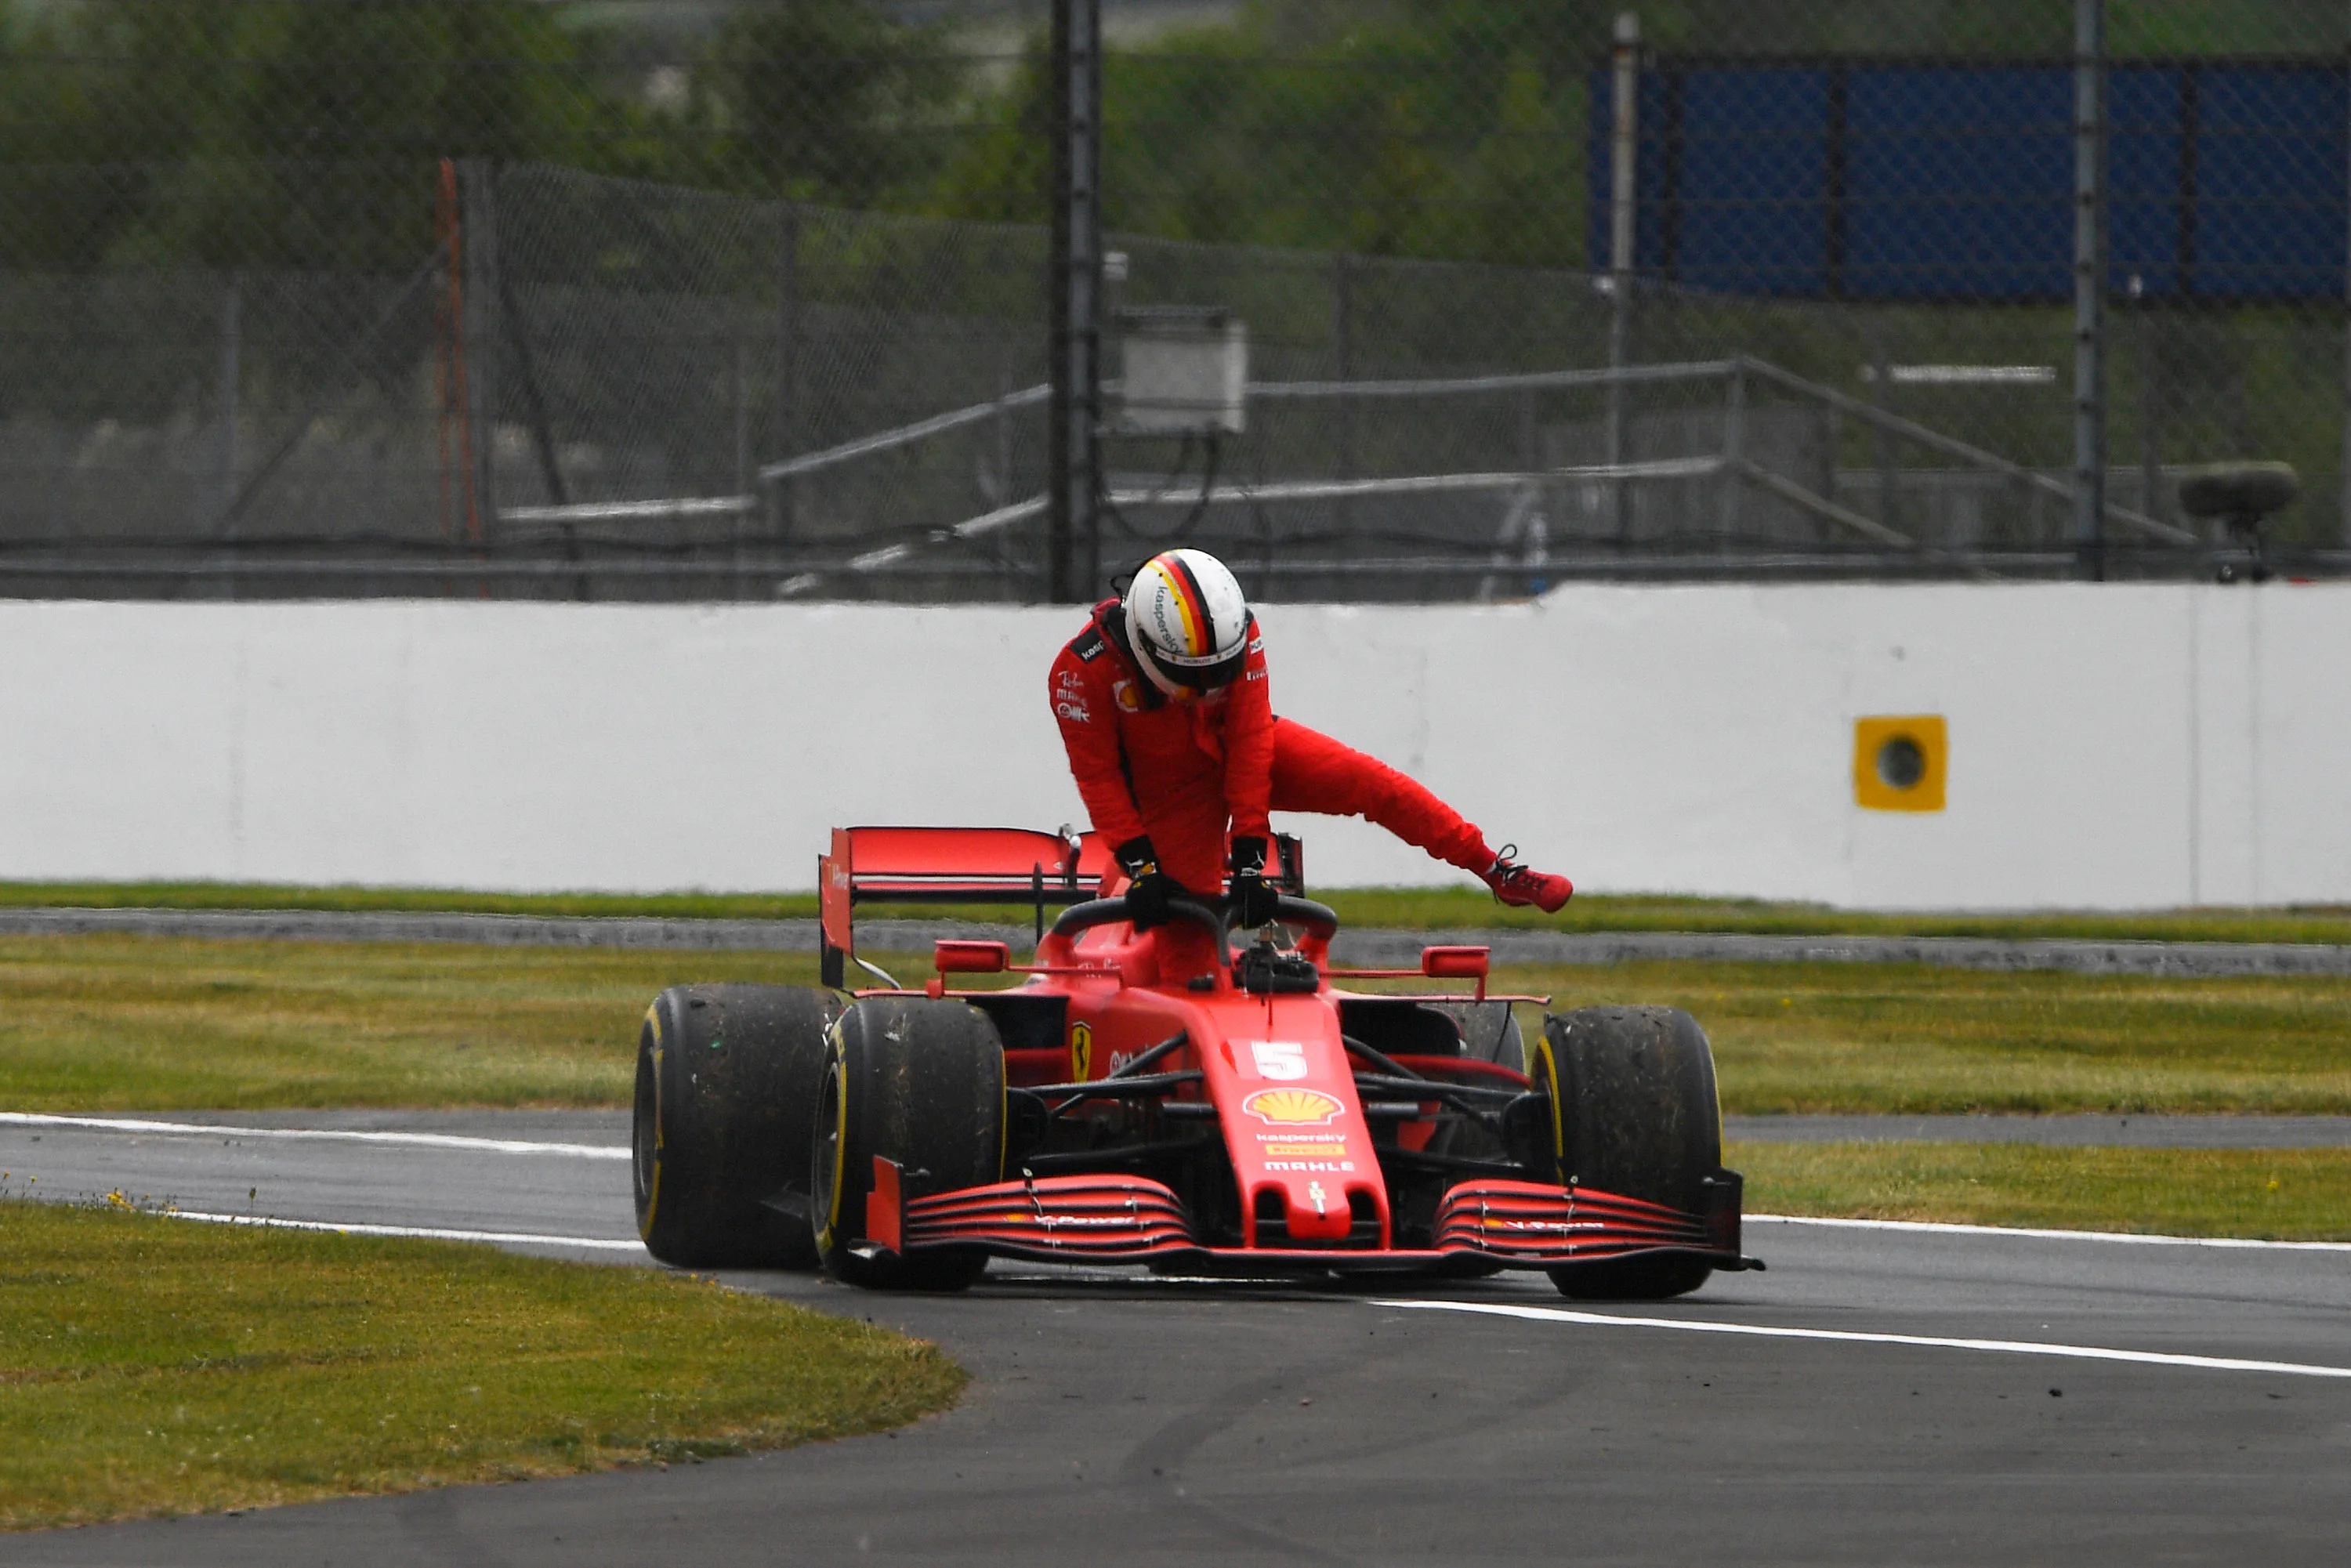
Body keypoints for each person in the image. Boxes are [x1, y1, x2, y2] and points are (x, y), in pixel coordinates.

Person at [1048, 546, 1572, 927]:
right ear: (1144, 646)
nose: (1211, 686)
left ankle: (1493, 867)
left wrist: (1251, 857)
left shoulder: (1242, 633)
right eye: (1196, 675)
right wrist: (1143, 869)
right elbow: (1100, 781)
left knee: (1371, 782)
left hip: (1237, 746)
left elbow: (1252, 742)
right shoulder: (1079, 673)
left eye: (1220, 670)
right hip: (1169, 795)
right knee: (1190, 929)